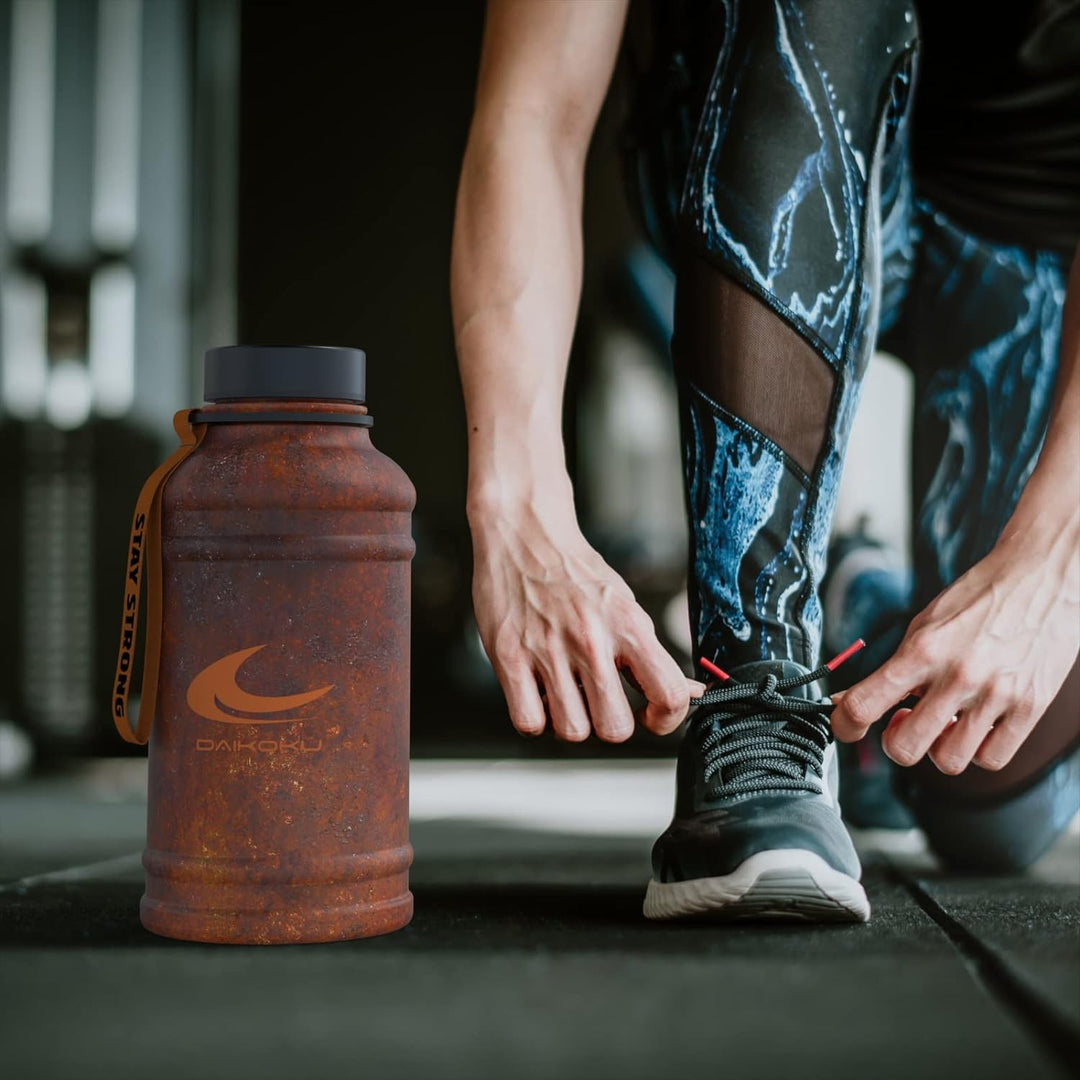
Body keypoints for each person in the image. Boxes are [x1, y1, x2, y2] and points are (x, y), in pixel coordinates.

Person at [450, 0, 1080, 922]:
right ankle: (757, 690)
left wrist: (1055, 569)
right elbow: (530, 114)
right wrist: (514, 509)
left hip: (1033, 249)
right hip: (759, 143)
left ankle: (865, 617)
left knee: (993, 804)